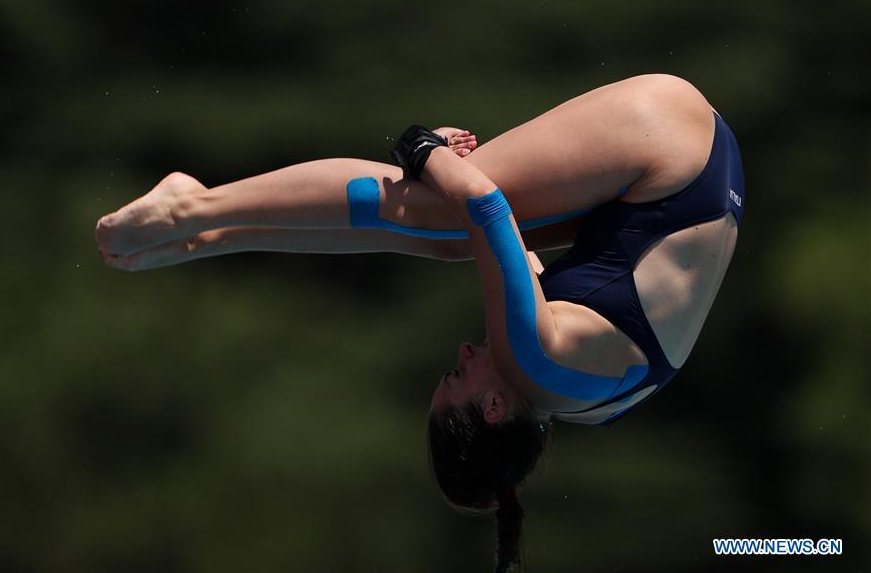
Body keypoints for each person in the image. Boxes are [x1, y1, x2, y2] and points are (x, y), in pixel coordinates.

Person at [96, 74, 744, 573]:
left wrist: (447, 173)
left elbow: (504, 244)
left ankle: (208, 234)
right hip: (661, 140)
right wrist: (424, 148)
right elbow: (485, 206)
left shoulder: (583, 403)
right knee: (434, 213)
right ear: (493, 407)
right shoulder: (534, 361)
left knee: (441, 235)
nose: (463, 351)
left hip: (690, 173)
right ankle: (196, 205)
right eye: (455, 374)